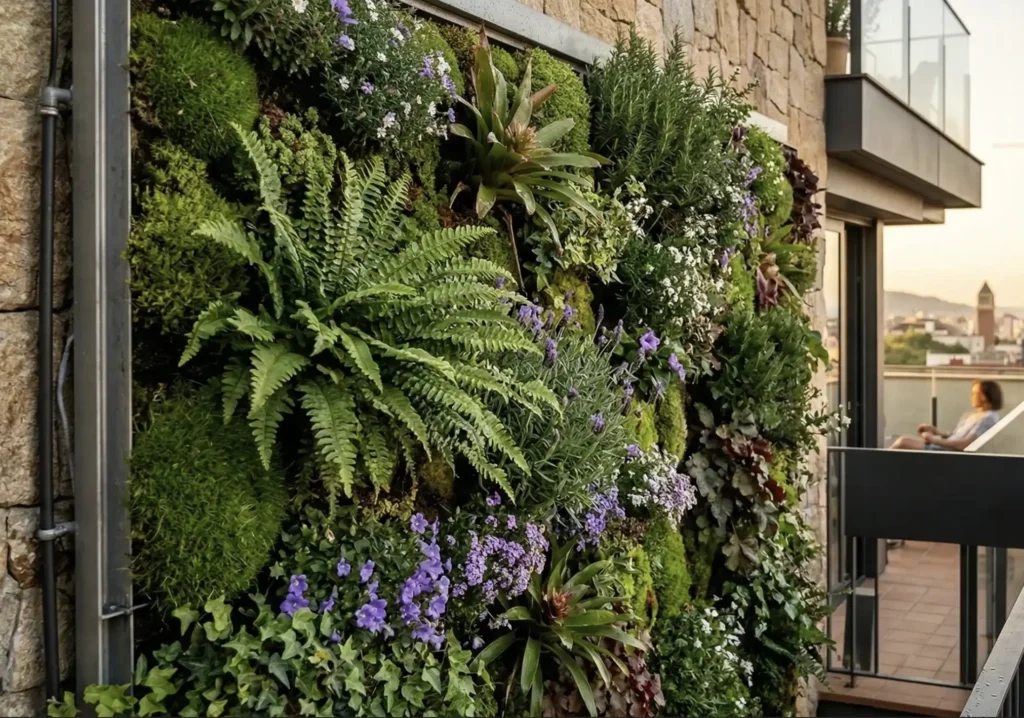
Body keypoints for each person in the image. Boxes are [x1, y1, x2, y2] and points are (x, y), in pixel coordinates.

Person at [890, 379, 1003, 452]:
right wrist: (936, 431)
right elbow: (956, 436)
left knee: (903, 442)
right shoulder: (974, 415)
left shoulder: (988, 419)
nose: (971, 396)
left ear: (984, 396)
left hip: (948, 452)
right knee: (901, 440)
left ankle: (876, 468)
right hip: (944, 447)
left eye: (974, 394)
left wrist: (933, 439)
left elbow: (963, 444)